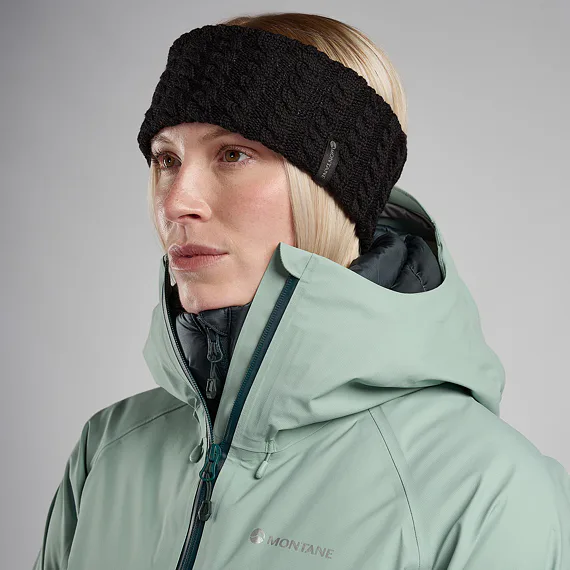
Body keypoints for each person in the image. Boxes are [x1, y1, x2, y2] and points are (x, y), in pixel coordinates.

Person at [32, 12, 570, 570]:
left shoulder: (485, 493)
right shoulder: (108, 450)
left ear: (331, 189)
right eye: (167, 159)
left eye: (232, 154)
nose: (175, 202)